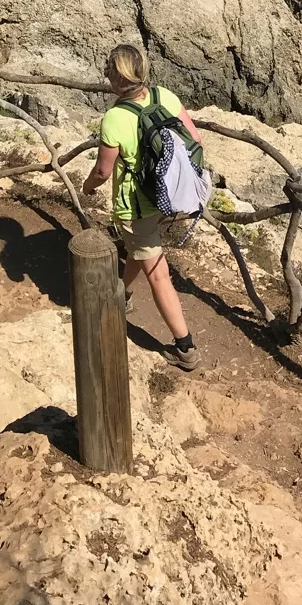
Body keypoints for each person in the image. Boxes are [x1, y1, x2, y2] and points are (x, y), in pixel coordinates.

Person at [82, 43, 202, 371]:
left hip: (136, 207)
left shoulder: (115, 118)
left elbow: (103, 171)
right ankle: (122, 297)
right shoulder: (165, 96)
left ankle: (185, 348)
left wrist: (87, 188)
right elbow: (196, 141)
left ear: (118, 78)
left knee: (159, 274)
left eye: (108, 68)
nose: (105, 72)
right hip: (168, 197)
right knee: (138, 250)